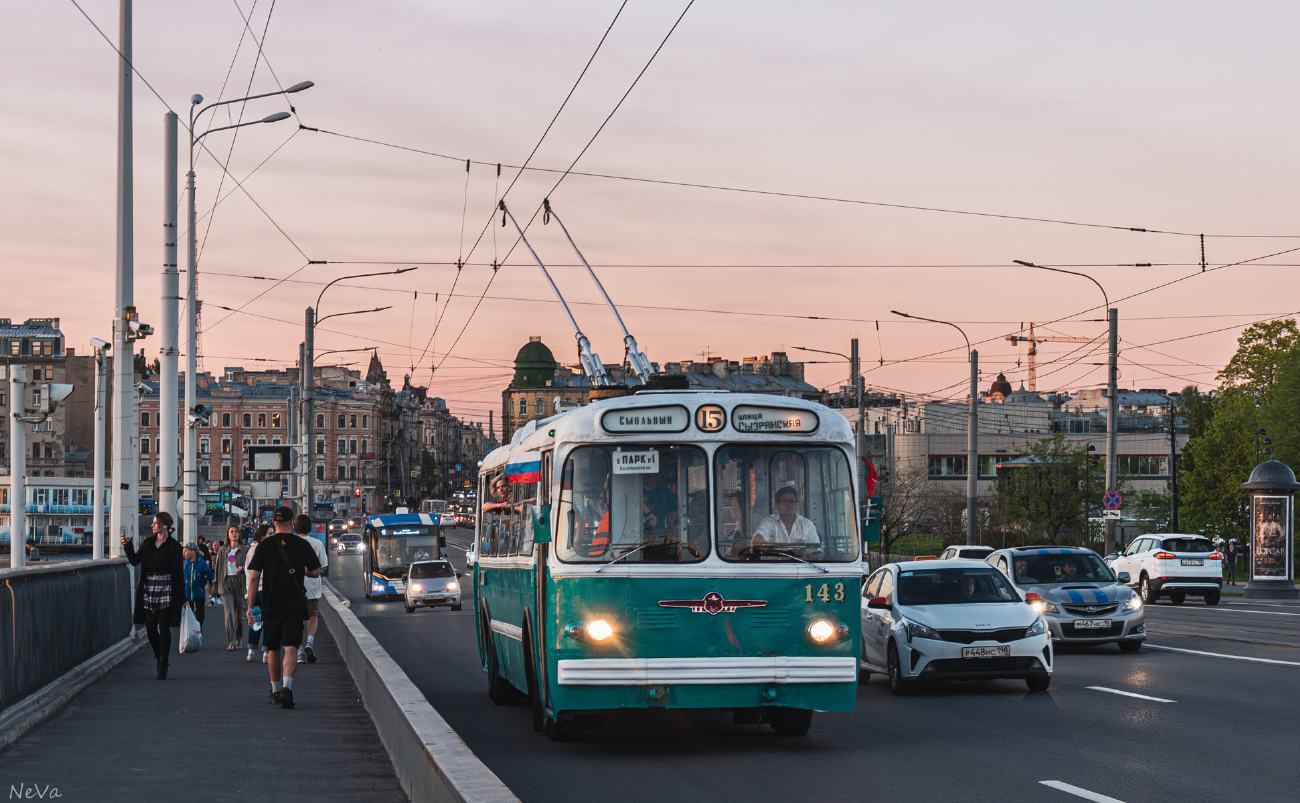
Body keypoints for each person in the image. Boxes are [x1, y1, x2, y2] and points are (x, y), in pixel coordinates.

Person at [248, 507, 321, 709]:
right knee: (291, 647)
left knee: (273, 649)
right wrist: (300, 570)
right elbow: (316, 572)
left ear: (273, 522)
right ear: (291, 523)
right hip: (294, 605)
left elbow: (254, 578)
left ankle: (275, 691)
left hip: (270, 604)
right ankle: (287, 687)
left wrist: (250, 606)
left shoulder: (264, 546)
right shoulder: (302, 544)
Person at [122, 513, 184, 680]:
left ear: (165, 526)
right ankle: (159, 655)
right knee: (150, 629)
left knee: (163, 626)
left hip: (167, 588)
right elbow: (135, 560)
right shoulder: (149, 543)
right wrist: (127, 545)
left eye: (156, 523)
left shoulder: (174, 546)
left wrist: (182, 597)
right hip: (148, 588)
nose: (152, 525)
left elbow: (178, 573)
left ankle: (164, 663)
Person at [293, 514, 328, 664]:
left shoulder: (291, 543)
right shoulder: (317, 543)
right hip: (312, 587)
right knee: (312, 615)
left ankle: (299, 651)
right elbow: (323, 566)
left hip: (294, 587)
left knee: (296, 619)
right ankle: (310, 642)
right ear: (310, 527)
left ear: (294, 527)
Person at [752, 486, 821, 551]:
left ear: (796, 504)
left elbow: (818, 551)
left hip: (801, 560)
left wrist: (811, 552)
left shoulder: (807, 525)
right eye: (785, 501)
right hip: (775, 560)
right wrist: (760, 542)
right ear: (777, 504)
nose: (788, 504)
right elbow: (758, 536)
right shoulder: (769, 522)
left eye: (791, 501)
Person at [215, 525, 248, 650]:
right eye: (231, 532)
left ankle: (239, 638)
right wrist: (215, 584)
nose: (234, 534)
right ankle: (231, 642)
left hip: (240, 583)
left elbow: (250, 565)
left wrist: (243, 568)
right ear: (228, 535)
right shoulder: (222, 550)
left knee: (239, 616)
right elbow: (218, 568)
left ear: (239, 534)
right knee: (229, 613)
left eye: (236, 532)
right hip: (226, 583)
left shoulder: (245, 549)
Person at [245, 524, 271, 663]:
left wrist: (248, 592)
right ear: (262, 536)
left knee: (256, 620)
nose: (273, 536)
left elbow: (248, 574)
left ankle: (253, 650)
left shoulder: (252, 550)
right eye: (270, 534)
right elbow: (250, 575)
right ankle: (263, 652)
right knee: (265, 621)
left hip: (256, 589)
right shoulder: (263, 550)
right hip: (263, 589)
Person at [181, 542, 215, 629]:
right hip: (187, 595)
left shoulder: (201, 563)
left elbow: (210, 575)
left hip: (199, 593)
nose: (184, 553)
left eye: (186, 551)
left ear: (193, 552)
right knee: (189, 617)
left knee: (200, 616)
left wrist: (212, 586)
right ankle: (190, 633)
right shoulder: (184, 563)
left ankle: (198, 631)